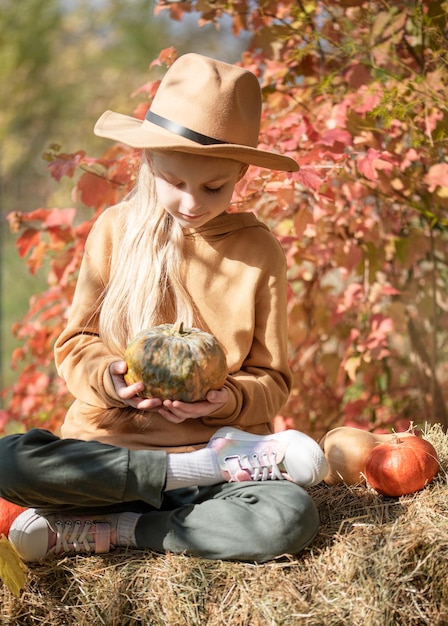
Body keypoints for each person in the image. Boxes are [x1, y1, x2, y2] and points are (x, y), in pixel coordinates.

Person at [1, 53, 327, 563]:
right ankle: (166, 492)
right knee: (9, 463)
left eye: (213, 187)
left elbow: (272, 381)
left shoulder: (258, 251)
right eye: (175, 182)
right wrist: (111, 378)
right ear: (148, 161)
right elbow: (74, 346)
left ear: (241, 171)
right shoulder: (116, 229)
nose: (192, 203)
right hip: (109, 459)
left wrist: (223, 404)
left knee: (287, 518)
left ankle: (123, 531)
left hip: (219, 461)